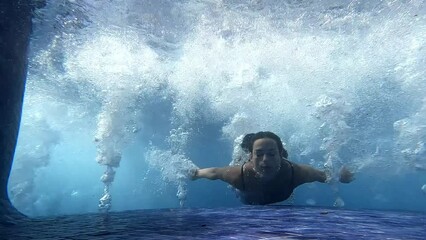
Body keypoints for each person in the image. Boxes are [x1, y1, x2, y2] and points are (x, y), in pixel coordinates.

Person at [192, 131, 354, 205]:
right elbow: (214, 172)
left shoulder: (296, 173)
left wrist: (341, 177)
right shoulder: (238, 174)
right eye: (259, 154)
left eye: (271, 154)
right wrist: (196, 173)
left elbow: (324, 175)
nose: (265, 160)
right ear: (251, 157)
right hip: (245, 196)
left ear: (281, 155)